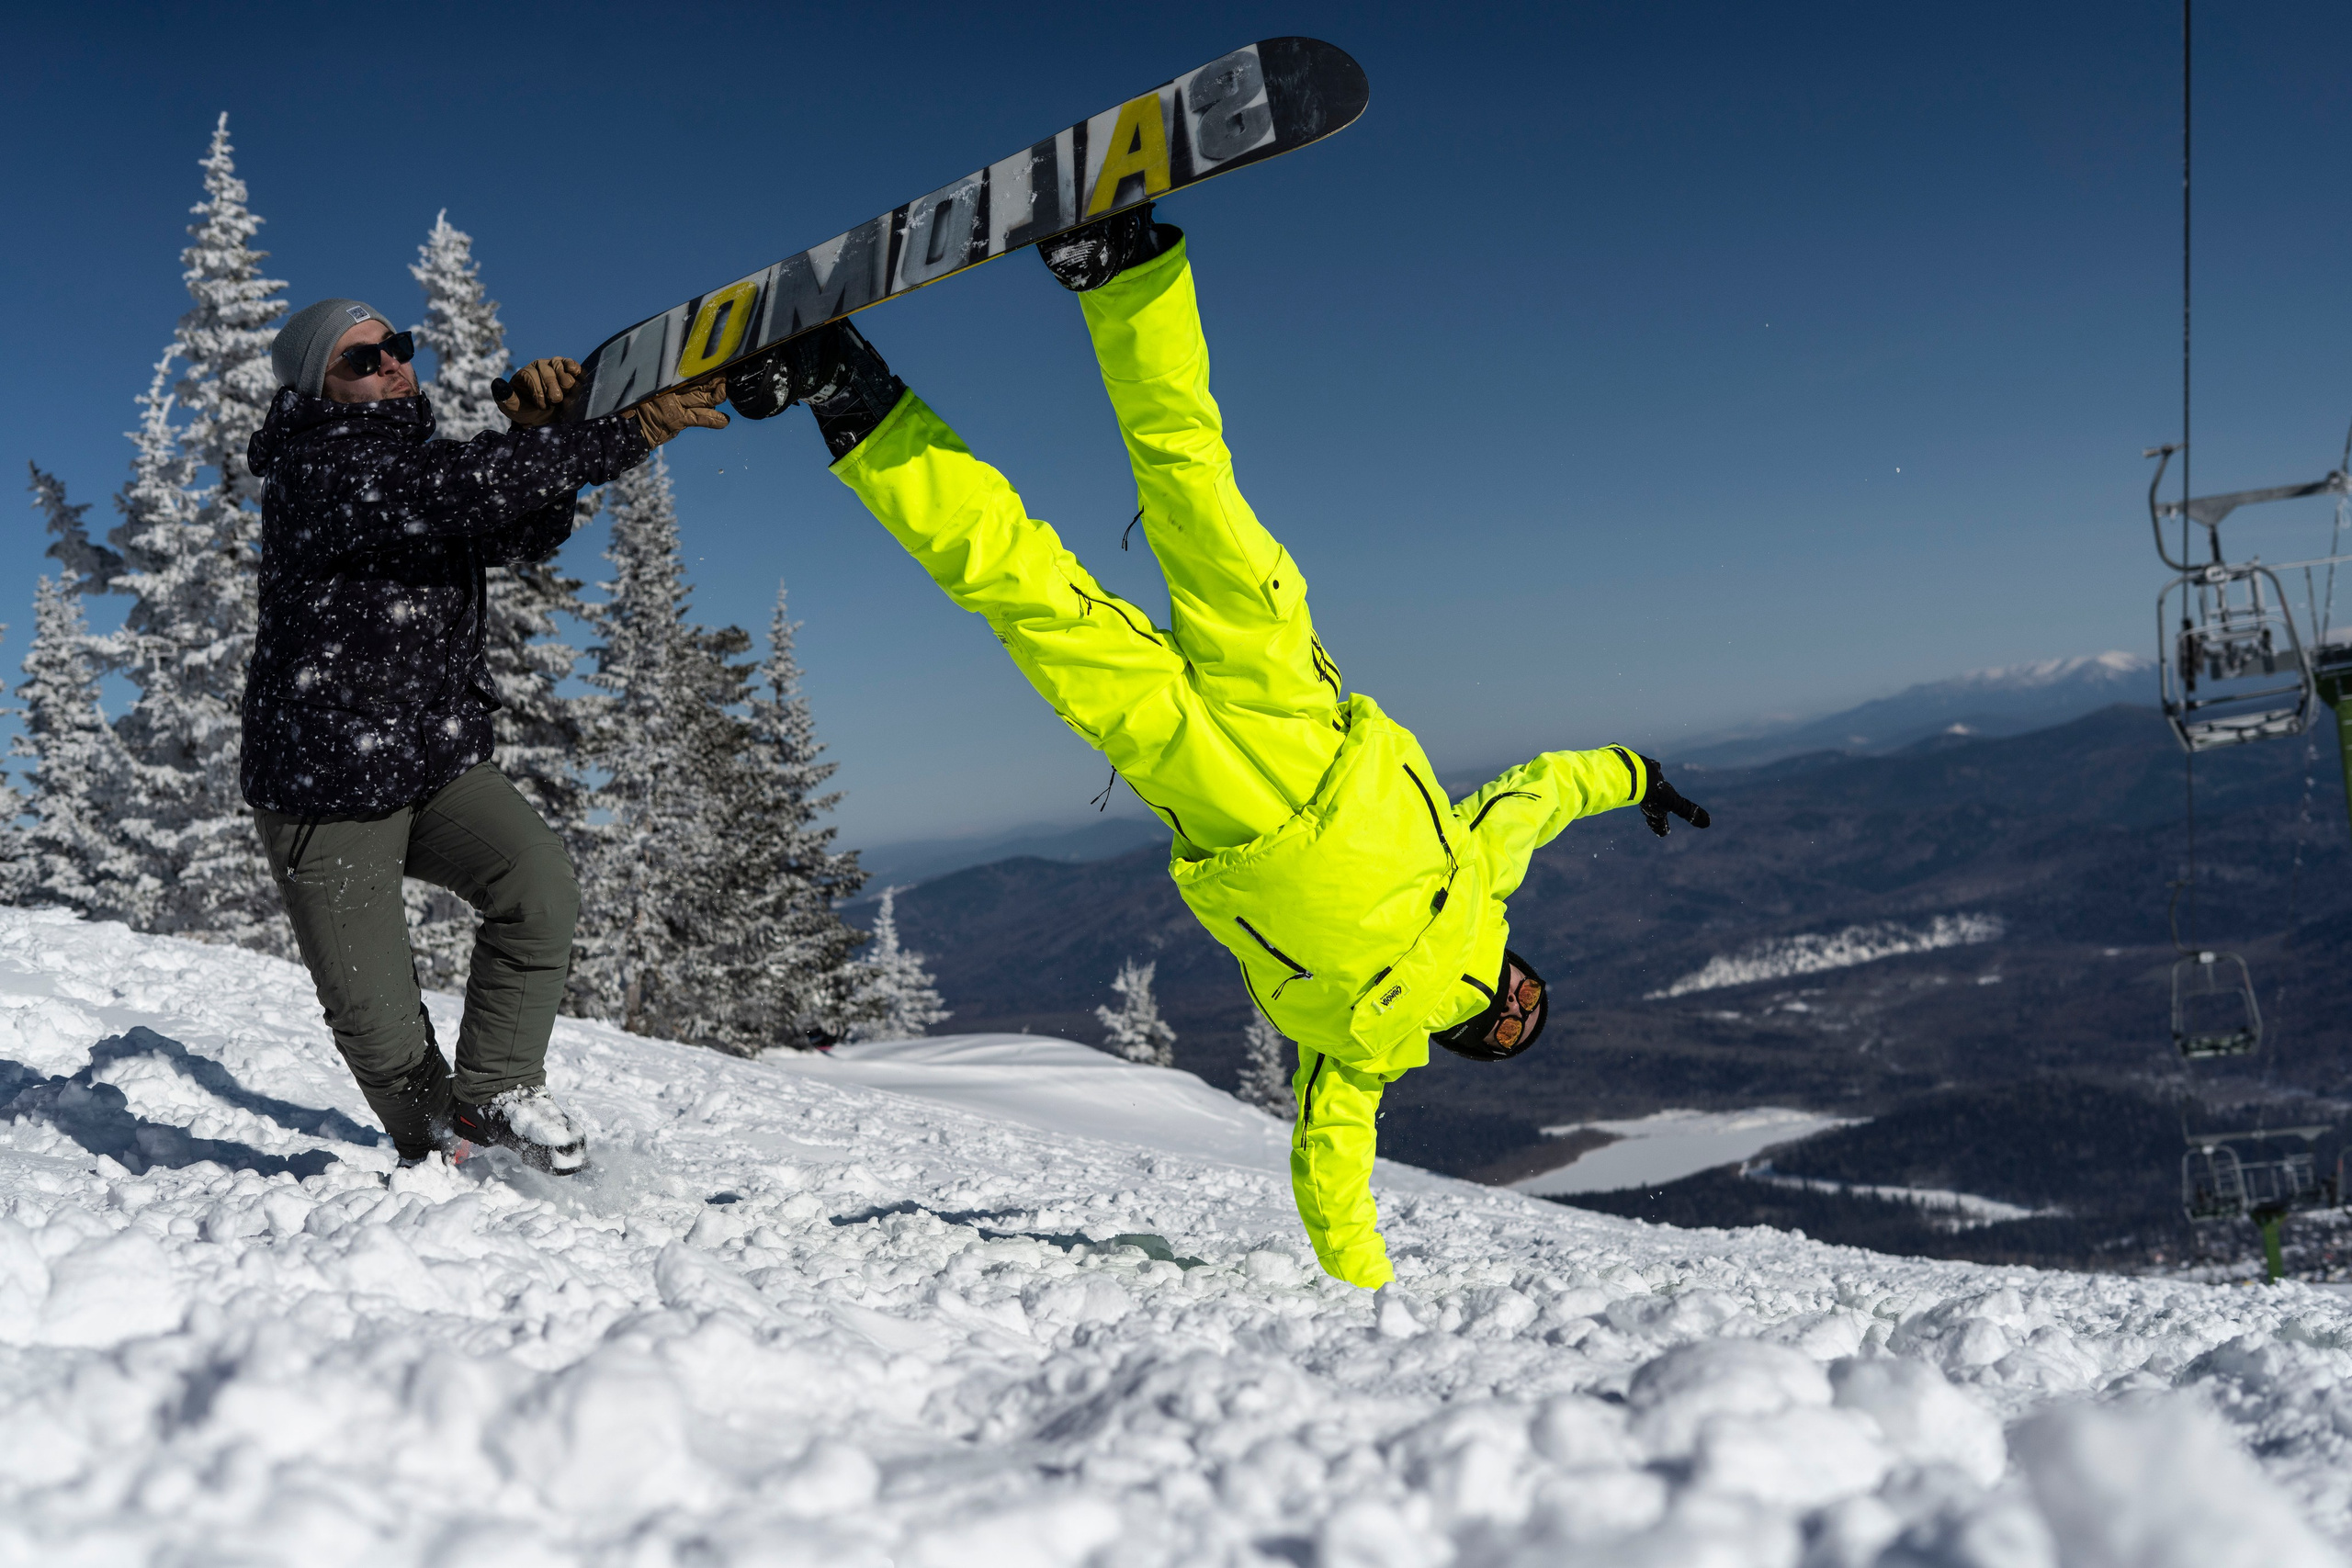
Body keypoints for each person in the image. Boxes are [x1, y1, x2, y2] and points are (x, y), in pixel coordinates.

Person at [730, 209, 1712, 1286]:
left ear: (1469, 1044)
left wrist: (1365, 1287)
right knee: (1176, 504)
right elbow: (1540, 795)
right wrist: (1635, 777)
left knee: (1045, 587)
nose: (1512, 1007)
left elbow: (1331, 1172)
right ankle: (1110, 283)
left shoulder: (1358, 1052)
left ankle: (852, 389)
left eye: (1508, 1027)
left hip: (1215, 791)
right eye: (1529, 1000)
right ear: (1522, 970)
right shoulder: (1479, 888)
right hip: (1292, 713)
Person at [243, 298, 729, 1172]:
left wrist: (546, 434)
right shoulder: (318, 468)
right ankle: (445, 1160)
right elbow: (461, 488)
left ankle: (499, 1088)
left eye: (396, 346)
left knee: (537, 886)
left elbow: (516, 526)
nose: (392, 363)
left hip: (431, 761)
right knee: (380, 1029)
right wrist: (621, 430)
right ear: (318, 388)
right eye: (363, 359)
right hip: (328, 781)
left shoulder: (411, 467)